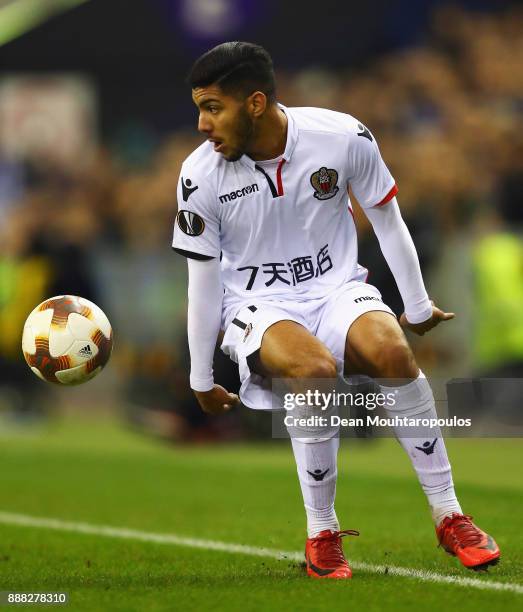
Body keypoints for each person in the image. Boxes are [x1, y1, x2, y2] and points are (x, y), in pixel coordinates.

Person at [172, 42, 500, 579]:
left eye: (212, 107)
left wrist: (415, 305)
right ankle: (322, 533)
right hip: (256, 304)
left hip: (335, 288)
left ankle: (450, 516)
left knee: (393, 350)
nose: (202, 124)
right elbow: (202, 282)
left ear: (254, 103)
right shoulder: (199, 175)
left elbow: (387, 219)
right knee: (315, 371)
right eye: (199, 108)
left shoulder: (342, 136)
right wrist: (202, 376)